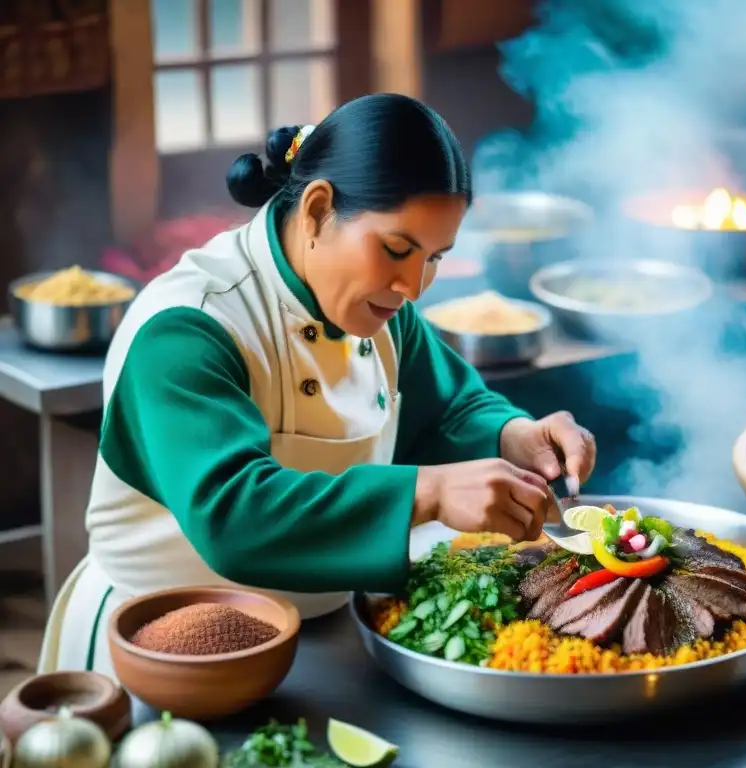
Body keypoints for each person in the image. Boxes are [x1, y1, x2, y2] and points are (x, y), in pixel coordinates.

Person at [38, 93, 596, 679]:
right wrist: (425, 494)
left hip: (321, 636)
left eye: (434, 258)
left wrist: (515, 436)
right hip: (160, 650)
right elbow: (235, 514)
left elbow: (449, 410)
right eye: (397, 249)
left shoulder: (384, 309)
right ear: (318, 209)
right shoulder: (187, 329)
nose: (414, 285)